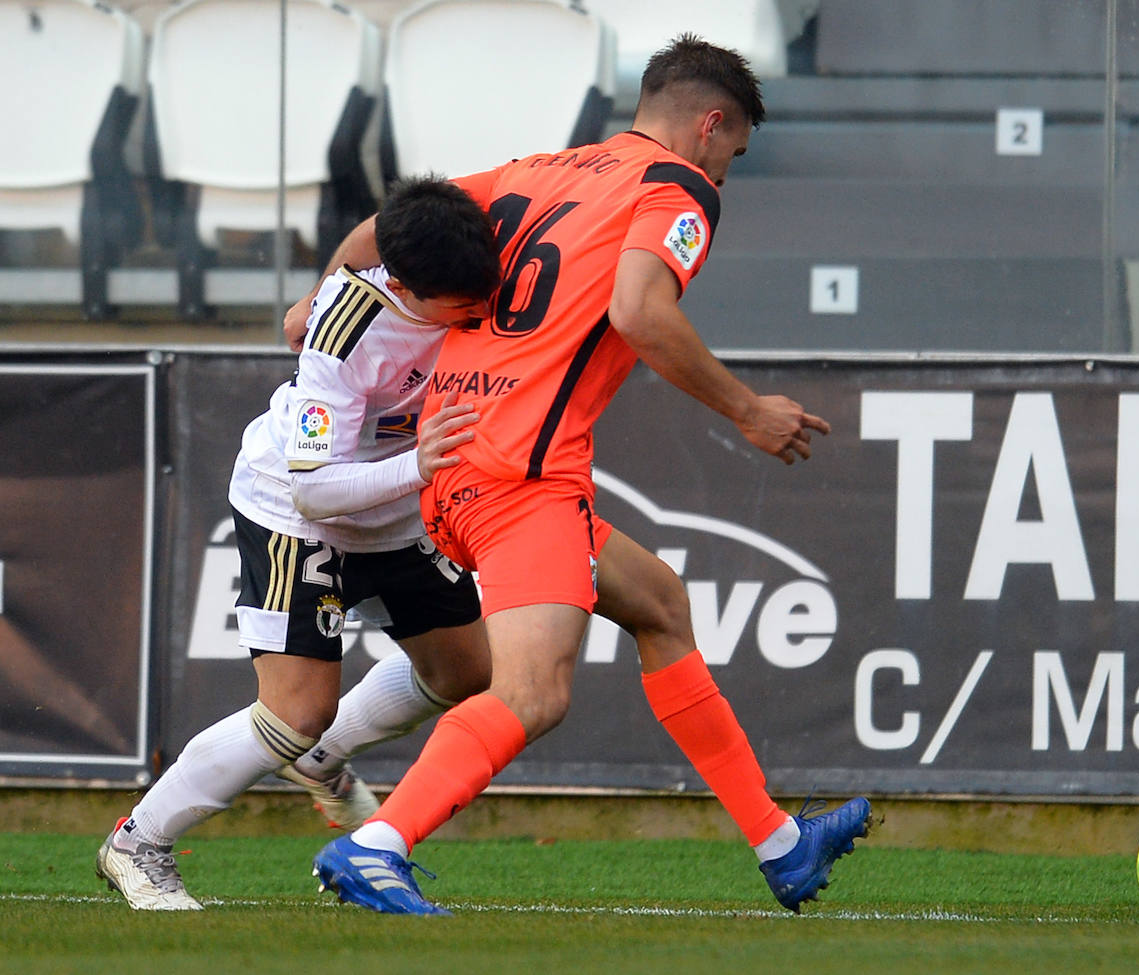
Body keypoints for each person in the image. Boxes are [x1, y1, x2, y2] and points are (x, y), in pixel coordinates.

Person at [302, 35, 873, 916]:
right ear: (710, 124)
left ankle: (780, 842)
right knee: (533, 690)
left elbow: (390, 227)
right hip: (521, 472)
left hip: (453, 451)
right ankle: (377, 843)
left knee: (658, 602)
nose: (727, 171)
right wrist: (748, 409)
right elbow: (640, 310)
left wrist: (326, 297)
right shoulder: (678, 188)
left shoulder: (539, 167)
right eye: (733, 151)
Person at [95, 177, 502, 910]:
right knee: (292, 712)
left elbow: (385, 222)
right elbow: (315, 485)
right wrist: (420, 463)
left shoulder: (465, 256)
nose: (478, 308)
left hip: (397, 511)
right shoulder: (344, 333)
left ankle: (318, 757)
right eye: (460, 302)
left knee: (469, 670)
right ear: (406, 285)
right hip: (299, 511)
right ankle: (138, 841)